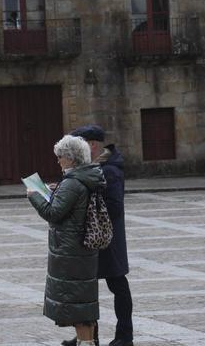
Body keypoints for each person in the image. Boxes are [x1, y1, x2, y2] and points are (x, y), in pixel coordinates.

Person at [27, 135, 105, 346]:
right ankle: (86, 342)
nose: (58, 160)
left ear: (71, 158)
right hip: (80, 251)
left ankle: (86, 343)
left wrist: (34, 194)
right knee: (82, 306)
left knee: (78, 308)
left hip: (71, 253)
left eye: (60, 156)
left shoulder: (73, 182)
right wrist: (55, 191)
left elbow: (53, 213)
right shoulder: (83, 178)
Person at [66, 125, 133, 346]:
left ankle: (124, 336)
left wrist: (87, 210)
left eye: (79, 145)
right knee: (87, 288)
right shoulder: (91, 167)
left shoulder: (110, 170)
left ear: (92, 145)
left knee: (117, 285)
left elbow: (115, 207)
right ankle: (87, 335)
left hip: (107, 237)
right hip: (93, 237)